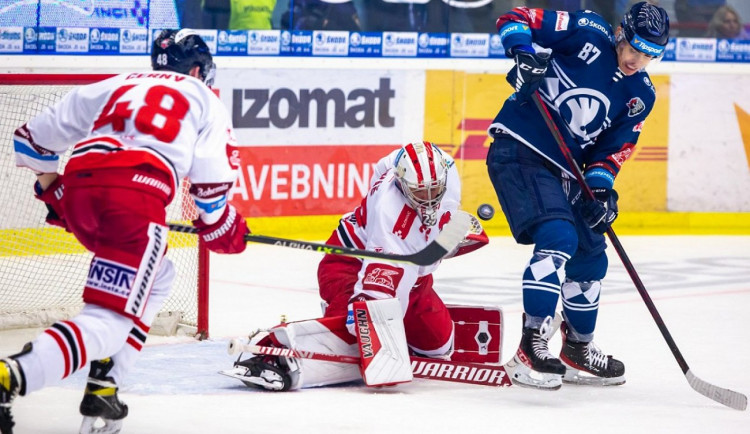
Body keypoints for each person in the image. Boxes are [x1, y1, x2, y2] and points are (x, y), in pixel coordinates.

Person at [0, 29, 250, 434]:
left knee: (159, 276)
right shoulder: (204, 97)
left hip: (81, 193)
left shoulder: (117, 84)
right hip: (132, 201)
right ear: (200, 69)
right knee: (107, 319)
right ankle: (12, 374)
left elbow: (29, 141)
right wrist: (228, 231)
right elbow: (210, 201)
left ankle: (105, 385)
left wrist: (58, 191)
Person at [486, 2, 670, 390]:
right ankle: (531, 343)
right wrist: (523, 55)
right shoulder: (587, 31)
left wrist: (601, 191)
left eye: (651, 55)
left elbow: (611, 151)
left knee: (589, 248)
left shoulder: (641, 95)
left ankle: (578, 348)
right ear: (621, 34)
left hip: (569, 172)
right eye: (634, 48)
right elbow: (515, 17)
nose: (638, 60)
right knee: (558, 237)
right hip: (522, 150)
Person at [227, 141, 489, 391]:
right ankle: (270, 353)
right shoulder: (391, 219)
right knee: (357, 333)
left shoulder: (445, 169)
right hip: (347, 265)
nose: (430, 198)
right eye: (420, 192)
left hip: (415, 280)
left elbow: (386, 163)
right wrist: (367, 325)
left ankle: (371, 327)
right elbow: (377, 295)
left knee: (439, 346)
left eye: (435, 189)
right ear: (401, 183)